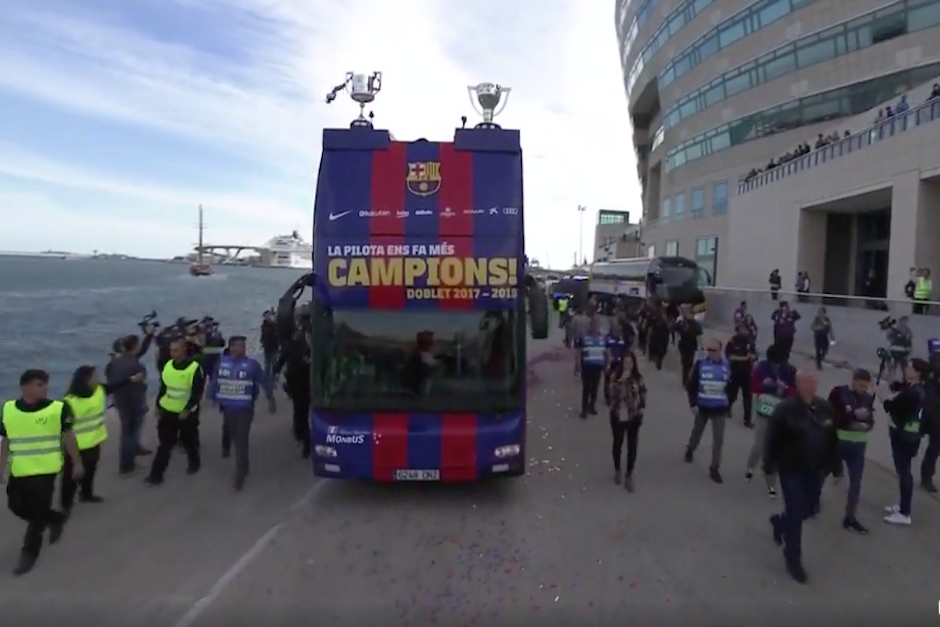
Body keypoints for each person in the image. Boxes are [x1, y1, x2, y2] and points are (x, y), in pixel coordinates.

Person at [0, 369, 83, 575]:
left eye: (45, 384)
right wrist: (0, 467)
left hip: (46, 470)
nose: (45, 388)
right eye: (39, 384)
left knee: (36, 512)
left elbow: (69, 437)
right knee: (15, 506)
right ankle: (54, 519)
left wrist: (77, 463)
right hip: (19, 469)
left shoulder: (58, 408)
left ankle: (29, 553)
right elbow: (6, 441)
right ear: (25, 387)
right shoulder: (8, 408)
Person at [765, 370, 838, 584]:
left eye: (813, 383)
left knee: (810, 509)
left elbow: (833, 438)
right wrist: (769, 464)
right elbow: (772, 438)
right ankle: (793, 559)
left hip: (815, 469)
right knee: (796, 512)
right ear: (797, 384)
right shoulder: (785, 409)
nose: (810, 387)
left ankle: (779, 523)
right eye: (805, 383)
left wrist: (836, 466)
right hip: (791, 468)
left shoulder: (825, 408)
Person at [210, 335, 275, 490]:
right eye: (238, 346)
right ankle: (244, 462)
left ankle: (239, 473)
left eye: (243, 346)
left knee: (241, 438)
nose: (242, 349)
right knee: (234, 437)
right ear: (231, 347)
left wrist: (271, 398)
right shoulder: (222, 364)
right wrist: (213, 398)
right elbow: (214, 382)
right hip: (228, 408)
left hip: (245, 408)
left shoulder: (251, 365)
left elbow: (264, 380)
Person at [61, 365, 125, 511]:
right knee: (70, 476)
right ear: (85, 380)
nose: (98, 378)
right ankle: (66, 503)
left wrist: (131, 379)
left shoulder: (99, 390)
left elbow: (114, 387)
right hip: (75, 445)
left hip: (94, 440)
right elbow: (65, 429)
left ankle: (86, 494)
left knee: (90, 470)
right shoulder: (68, 402)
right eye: (94, 376)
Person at [146, 336, 206, 485]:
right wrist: (158, 406)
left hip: (185, 414)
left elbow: (197, 393)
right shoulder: (167, 366)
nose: (172, 353)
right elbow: (163, 389)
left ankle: (194, 462)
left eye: (176, 350)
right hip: (168, 411)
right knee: (165, 445)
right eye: (171, 350)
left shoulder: (194, 369)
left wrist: (187, 409)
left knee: (189, 441)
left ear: (184, 350)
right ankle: (156, 475)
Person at [878, 358, 930, 525]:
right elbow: (900, 389)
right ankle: (902, 505)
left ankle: (904, 512)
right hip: (911, 435)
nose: (907, 368)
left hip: (903, 436)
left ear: (917, 372)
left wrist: (882, 397)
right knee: (904, 470)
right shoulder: (919, 389)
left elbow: (892, 407)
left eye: (910, 367)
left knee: (904, 472)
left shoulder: (912, 393)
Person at [827, 368, 874, 534]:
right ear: (853, 381)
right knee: (821, 472)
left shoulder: (868, 398)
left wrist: (866, 425)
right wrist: (854, 416)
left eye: (866, 387)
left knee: (856, 484)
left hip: (858, 446)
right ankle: (811, 501)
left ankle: (850, 518)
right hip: (838, 442)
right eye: (861, 385)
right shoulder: (839, 393)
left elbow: (870, 420)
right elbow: (833, 416)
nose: (863, 390)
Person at [745, 345, 795, 497]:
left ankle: (770, 480)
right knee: (759, 445)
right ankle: (750, 466)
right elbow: (752, 387)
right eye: (773, 362)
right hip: (763, 411)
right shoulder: (761, 367)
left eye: (778, 362)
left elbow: (795, 392)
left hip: (780, 416)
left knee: (774, 449)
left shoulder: (791, 371)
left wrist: (784, 389)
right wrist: (765, 385)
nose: (775, 365)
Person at [105, 332, 155, 474]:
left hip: (120, 401)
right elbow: (141, 387)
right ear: (135, 346)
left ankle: (128, 458)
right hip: (134, 402)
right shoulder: (136, 365)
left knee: (126, 430)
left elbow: (111, 383)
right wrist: (142, 403)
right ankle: (127, 465)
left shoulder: (112, 363)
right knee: (131, 432)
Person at [684, 337, 730, 484]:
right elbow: (691, 386)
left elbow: (731, 385)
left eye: (713, 350)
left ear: (720, 351)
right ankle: (690, 449)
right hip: (702, 407)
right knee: (696, 433)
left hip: (719, 409)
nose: (709, 353)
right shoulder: (700, 365)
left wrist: (729, 399)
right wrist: (693, 404)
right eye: (708, 350)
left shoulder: (726, 366)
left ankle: (714, 467)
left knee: (718, 440)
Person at [609, 352, 647, 491]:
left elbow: (643, 393)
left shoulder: (638, 378)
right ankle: (617, 469)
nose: (628, 365)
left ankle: (629, 474)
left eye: (630, 362)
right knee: (618, 443)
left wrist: (642, 407)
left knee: (632, 446)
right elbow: (611, 395)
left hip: (633, 416)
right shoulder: (615, 376)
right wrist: (621, 381)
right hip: (618, 415)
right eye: (625, 362)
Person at [278, 334, 312, 458]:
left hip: (298, 385)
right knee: (303, 412)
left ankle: (302, 438)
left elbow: (281, 361)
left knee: (300, 413)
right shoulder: (308, 347)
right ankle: (303, 437)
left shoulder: (292, 347)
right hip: (305, 385)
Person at [575, 315, 607, 419]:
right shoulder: (584, 337)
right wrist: (578, 364)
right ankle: (584, 409)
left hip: (598, 365)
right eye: (594, 324)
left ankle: (592, 406)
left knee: (595, 387)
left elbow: (606, 352)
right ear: (590, 325)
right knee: (586, 387)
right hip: (587, 366)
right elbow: (579, 351)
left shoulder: (603, 338)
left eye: (597, 324)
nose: (595, 326)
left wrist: (607, 364)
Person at [725, 324, 756, 428]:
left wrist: (753, 357)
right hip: (736, 371)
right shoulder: (733, 341)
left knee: (748, 396)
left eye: (745, 329)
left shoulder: (750, 341)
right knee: (732, 392)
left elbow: (755, 354)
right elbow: (730, 357)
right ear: (737, 330)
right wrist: (744, 359)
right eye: (742, 329)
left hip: (747, 372)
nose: (744, 330)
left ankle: (747, 420)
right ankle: (727, 409)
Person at [675, 306, 702, 387]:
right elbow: (676, 329)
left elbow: (699, 332)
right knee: (685, 364)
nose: (690, 316)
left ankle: (688, 379)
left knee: (690, 364)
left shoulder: (696, 324)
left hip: (692, 346)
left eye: (692, 314)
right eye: (689, 314)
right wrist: (680, 324)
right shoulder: (682, 322)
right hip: (683, 346)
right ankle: (685, 381)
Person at [603, 319, 626, 405]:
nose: (618, 328)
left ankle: (616, 396)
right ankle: (608, 397)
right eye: (616, 326)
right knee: (608, 380)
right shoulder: (608, 338)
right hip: (610, 362)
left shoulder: (622, 338)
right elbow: (605, 350)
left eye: (618, 326)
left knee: (618, 381)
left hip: (619, 362)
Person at [261, 311, 279, 385]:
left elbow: (276, 334)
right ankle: (268, 379)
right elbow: (264, 336)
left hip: (273, 347)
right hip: (268, 347)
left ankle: (272, 378)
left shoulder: (273, 325)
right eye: (266, 316)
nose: (267, 317)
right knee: (268, 365)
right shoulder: (265, 326)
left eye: (268, 316)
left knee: (273, 363)